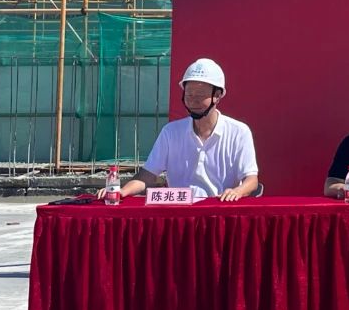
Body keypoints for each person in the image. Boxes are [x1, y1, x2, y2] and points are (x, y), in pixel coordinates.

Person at [99, 57, 259, 202]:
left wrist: (237, 191)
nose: (193, 101)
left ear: (217, 95)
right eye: (189, 95)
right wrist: (121, 191)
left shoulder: (239, 132)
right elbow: (147, 175)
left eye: (200, 95)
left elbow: (251, 180)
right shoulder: (171, 132)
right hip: (179, 212)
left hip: (219, 211)